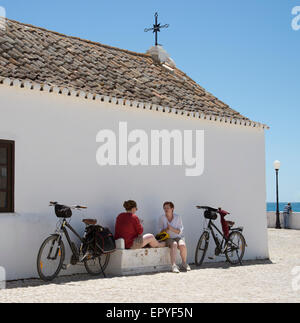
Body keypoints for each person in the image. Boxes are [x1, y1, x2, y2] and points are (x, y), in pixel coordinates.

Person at [158, 202, 191, 273]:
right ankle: (173, 265)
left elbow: (179, 231)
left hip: (177, 236)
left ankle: (184, 263)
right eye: (164, 208)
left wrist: (171, 228)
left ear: (172, 208)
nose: (166, 209)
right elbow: (160, 233)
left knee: (182, 245)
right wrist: (167, 229)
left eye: (168, 208)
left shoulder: (178, 217)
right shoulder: (162, 218)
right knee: (174, 244)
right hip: (168, 238)